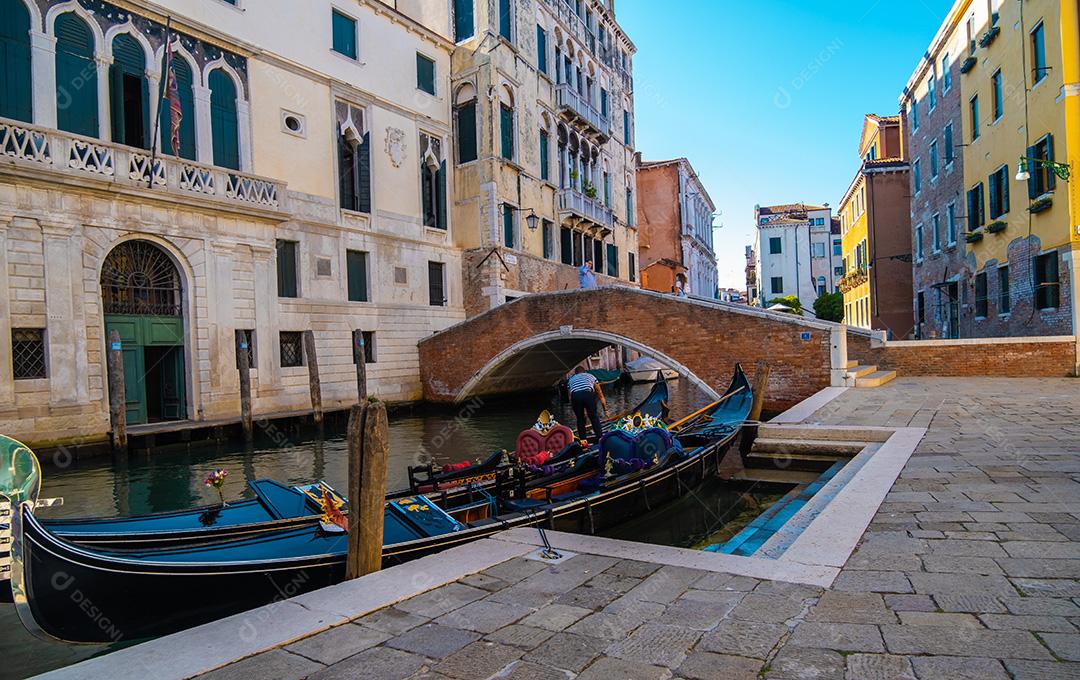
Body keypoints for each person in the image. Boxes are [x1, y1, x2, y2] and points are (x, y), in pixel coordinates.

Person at [567, 366, 608, 445]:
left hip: (575, 396)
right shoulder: (590, 376)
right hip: (587, 394)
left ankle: (583, 440)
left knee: (580, 419)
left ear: (576, 373)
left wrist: (578, 410)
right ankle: (600, 438)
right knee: (593, 417)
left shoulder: (570, 380)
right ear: (584, 372)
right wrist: (605, 410)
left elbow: (570, 397)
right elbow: (600, 395)